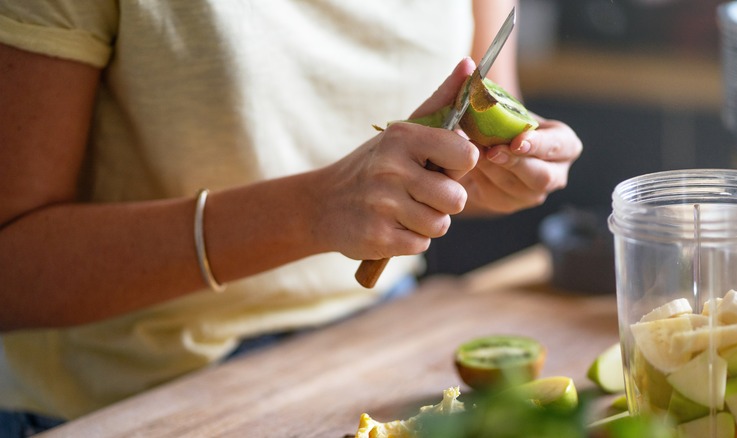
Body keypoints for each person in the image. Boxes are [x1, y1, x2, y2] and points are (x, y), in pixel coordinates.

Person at [0, 0, 582, 435]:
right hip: (133, 396)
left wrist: (499, 174)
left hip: (373, 344)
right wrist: (311, 210)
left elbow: (470, 143)